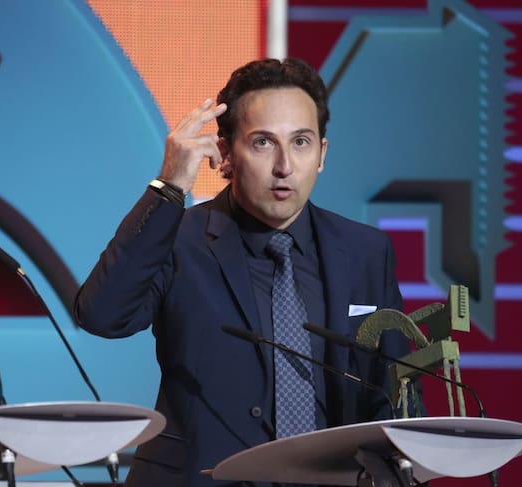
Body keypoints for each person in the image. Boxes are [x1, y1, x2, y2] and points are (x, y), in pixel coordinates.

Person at [75, 58, 413, 487]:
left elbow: (395, 390)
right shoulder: (177, 238)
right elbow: (102, 316)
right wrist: (169, 187)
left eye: (301, 142)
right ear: (225, 154)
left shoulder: (366, 251)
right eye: (263, 143)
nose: (284, 166)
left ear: (322, 154)